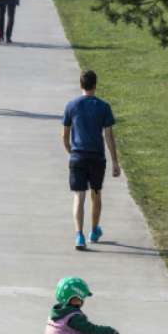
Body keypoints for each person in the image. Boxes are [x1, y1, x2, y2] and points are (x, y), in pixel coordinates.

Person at [61, 70, 120, 250]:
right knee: (96, 194)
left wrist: (71, 152)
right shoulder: (103, 106)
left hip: (78, 155)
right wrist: (115, 162)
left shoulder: (71, 105)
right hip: (96, 156)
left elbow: (64, 135)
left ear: (81, 85)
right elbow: (109, 136)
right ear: (95, 85)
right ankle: (94, 231)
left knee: (79, 196)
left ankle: (79, 235)